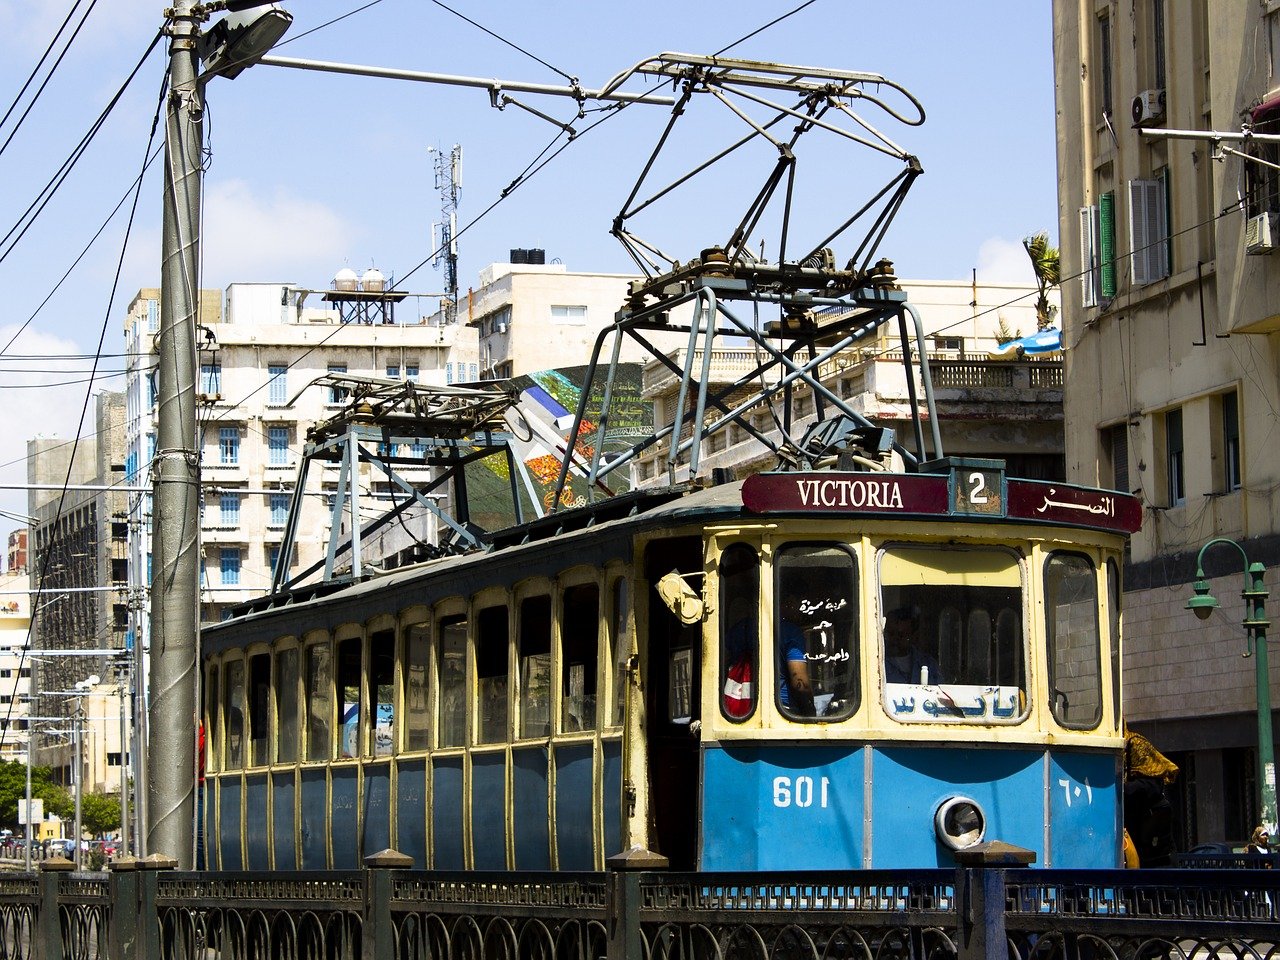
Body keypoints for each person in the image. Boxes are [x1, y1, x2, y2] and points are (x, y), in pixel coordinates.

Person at [883, 606, 942, 684]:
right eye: (891, 634)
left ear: (913, 636)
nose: (895, 639)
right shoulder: (879, 663)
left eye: (901, 635)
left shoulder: (928, 664)